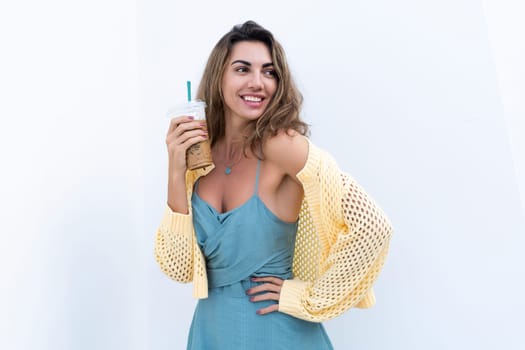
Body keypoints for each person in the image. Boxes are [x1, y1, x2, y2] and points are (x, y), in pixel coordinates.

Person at [155, 20, 393, 350]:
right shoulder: (201, 157)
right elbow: (178, 267)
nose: (258, 83)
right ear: (219, 77)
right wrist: (175, 167)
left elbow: (374, 227)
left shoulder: (283, 146)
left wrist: (306, 297)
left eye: (269, 72)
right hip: (211, 333)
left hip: (277, 334)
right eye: (243, 69)